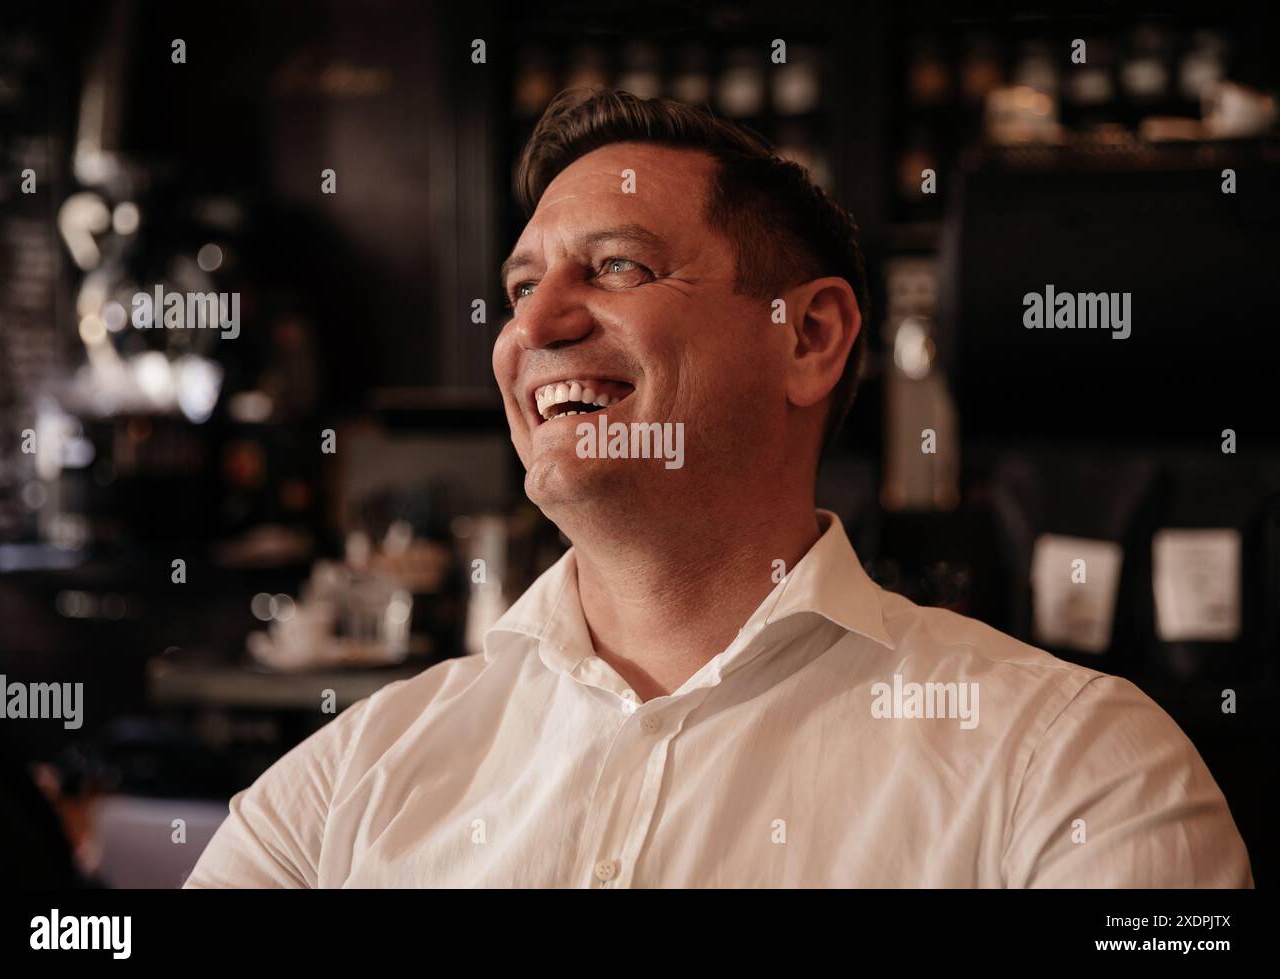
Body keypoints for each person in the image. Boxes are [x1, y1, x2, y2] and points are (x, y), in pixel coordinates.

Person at [187, 88, 1252, 888]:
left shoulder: (1075, 768)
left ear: (809, 337)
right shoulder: (343, 784)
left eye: (616, 268)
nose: (533, 326)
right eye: (520, 285)